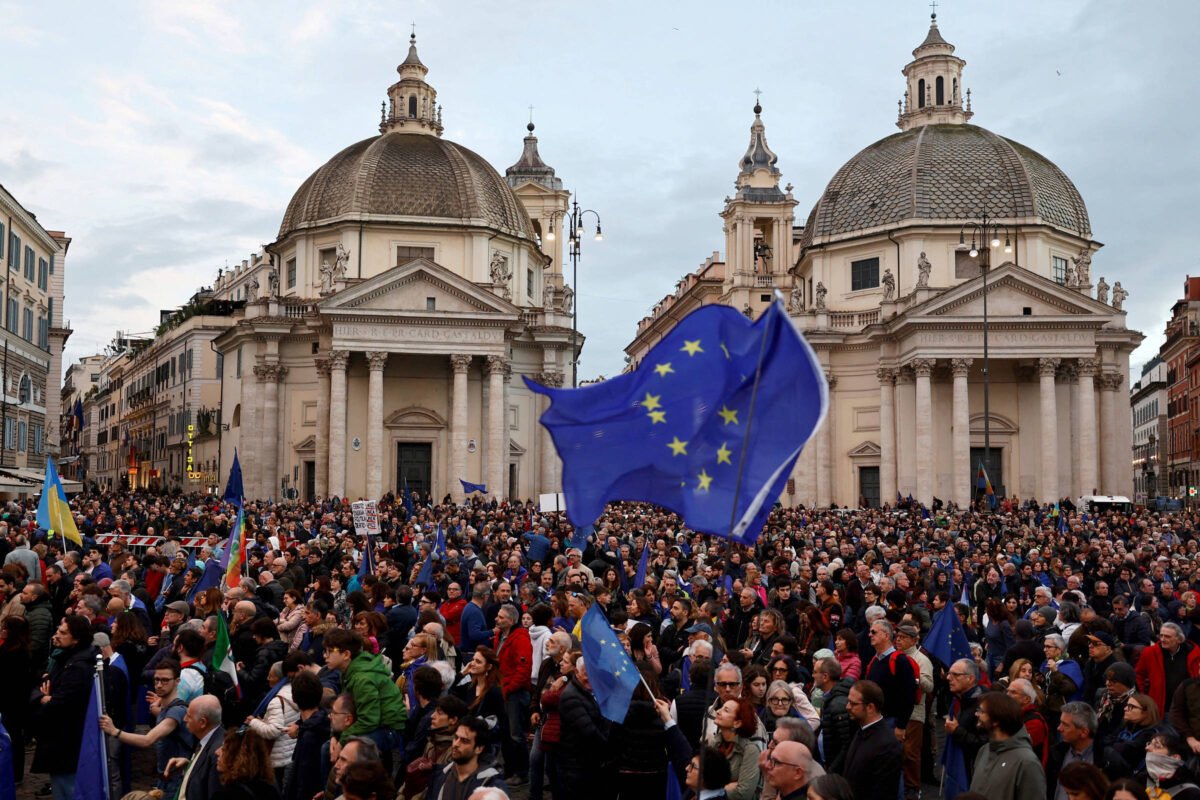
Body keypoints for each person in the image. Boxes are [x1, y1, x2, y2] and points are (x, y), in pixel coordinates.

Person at [100, 658, 195, 799]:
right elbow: (162, 712)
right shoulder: (166, 708)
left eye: (165, 680)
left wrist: (114, 731)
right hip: (164, 779)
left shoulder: (176, 711)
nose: (159, 685)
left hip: (175, 781)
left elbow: (147, 740)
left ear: (177, 681)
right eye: (156, 680)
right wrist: (156, 706)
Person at [30, 614, 98, 800]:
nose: (56, 635)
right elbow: (41, 685)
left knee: (67, 789)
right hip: (62, 740)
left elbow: (61, 703)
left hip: (66, 741)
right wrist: (43, 697)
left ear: (76, 639)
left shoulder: (78, 667)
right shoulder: (66, 659)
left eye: (63, 632)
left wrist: (45, 699)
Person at [323, 627, 406, 771]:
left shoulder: (362, 678)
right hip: (376, 722)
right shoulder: (350, 672)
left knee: (342, 753)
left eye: (329, 651)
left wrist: (342, 740)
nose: (325, 656)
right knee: (329, 746)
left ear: (346, 654)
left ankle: (342, 789)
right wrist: (336, 735)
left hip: (388, 728)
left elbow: (369, 720)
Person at [967, 691, 1046, 799]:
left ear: (996, 721)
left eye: (981, 711)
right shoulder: (985, 750)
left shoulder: (1027, 762)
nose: (976, 714)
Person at [834, 680, 902, 800]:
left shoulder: (887, 746)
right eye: (848, 701)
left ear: (870, 707)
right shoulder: (860, 729)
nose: (847, 707)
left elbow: (883, 793)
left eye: (853, 703)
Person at [558, 657, 611, 800]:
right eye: (587, 674)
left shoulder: (591, 692)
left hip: (590, 766)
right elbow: (589, 732)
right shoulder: (571, 697)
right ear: (576, 672)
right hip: (577, 768)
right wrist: (610, 748)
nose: (591, 679)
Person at [493, 602, 533, 785]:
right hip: (504, 690)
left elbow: (523, 669)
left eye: (501, 617)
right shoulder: (500, 636)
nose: (496, 619)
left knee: (516, 735)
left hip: (514, 693)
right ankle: (510, 769)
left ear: (510, 620)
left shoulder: (520, 638)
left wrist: (509, 688)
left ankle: (522, 772)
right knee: (506, 734)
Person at [893, 622, 932, 800]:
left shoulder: (921, 660)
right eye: (897, 637)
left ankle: (913, 787)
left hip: (915, 712)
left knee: (910, 752)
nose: (898, 640)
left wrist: (913, 678)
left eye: (902, 638)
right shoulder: (893, 656)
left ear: (913, 640)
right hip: (895, 710)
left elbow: (929, 686)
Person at [426, 718, 505, 800]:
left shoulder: (491, 786)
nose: (456, 744)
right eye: (456, 738)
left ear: (479, 748)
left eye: (464, 741)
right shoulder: (440, 776)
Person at [862, 620, 916, 742]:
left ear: (886, 635)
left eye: (874, 632)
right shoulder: (874, 661)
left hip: (891, 722)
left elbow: (909, 695)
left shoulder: (900, 661)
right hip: (874, 720)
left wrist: (901, 726)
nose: (870, 635)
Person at [164, 695, 226, 800]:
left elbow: (213, 795)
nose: (184, 719)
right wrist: (189, 766)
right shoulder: (207, 738)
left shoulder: (218, 753)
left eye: (189, 716)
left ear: (202, 723)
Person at [1136, 622, 1200, 716]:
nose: (1162, 639)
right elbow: (1139, 675)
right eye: (1161, 635)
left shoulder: (1193, 654)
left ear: (1179, 639)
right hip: (1160, 707)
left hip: (1187, 707)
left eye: (1167, 636)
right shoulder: (1150, 653)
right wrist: (1145, 697)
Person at [1048, 702, 1105, 800]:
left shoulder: (1106, 759)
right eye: (1060, 722)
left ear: (1084, 732)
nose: (1059, 728)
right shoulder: (1056, 753)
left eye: (1065, 725)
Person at [943, 658, 988, 782]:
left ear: (971, 679)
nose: (948, 678)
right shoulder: (962, 699)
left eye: (955, 675)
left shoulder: (984, 706)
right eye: (949, 673)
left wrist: (957, 731)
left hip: (976, 774)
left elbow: (984, 745)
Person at [0, 615, 32, 784]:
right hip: (15, 701)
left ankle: (14, 773)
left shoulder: (13, 653)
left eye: (5, 627)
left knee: (12, 737)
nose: (2, 630)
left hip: (11, 702)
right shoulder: (19, 649)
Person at [710, 698, 762, 800]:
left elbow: (743, 793)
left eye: (726, 710)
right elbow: (701, 781)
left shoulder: (750, 750)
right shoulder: (714, 744)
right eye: (721, 708)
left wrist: (713, 790)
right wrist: (728, 787)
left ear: (737, 723)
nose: (718, 712)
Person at [1106, 693, 1167, 778]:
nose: (1125, 709)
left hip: (1133, 777)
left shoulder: (1151, 733)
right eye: (1127, 705)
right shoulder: (1127, 725)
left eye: (1131, 706)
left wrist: (1112, 745)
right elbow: (1107, 740)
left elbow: (1126, 749)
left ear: (1146, 712)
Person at [212, 726, 281, 800]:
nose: (217, 752)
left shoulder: (226, 795)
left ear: (237, 757)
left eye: (224, 749)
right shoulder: (272, 789)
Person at [812, 657, 853, 770]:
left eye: (815, 672)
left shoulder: (838, 705)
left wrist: (831, 770)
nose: (812, 675)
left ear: (825, 677)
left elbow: (846, 746)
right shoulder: (829, 698)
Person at [1140, 732, 1200, 799]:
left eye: (1157, 746)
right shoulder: (1143, 778)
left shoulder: (1191, 793)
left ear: (1175, 757)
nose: (1147, 748)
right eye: (1149, 744)